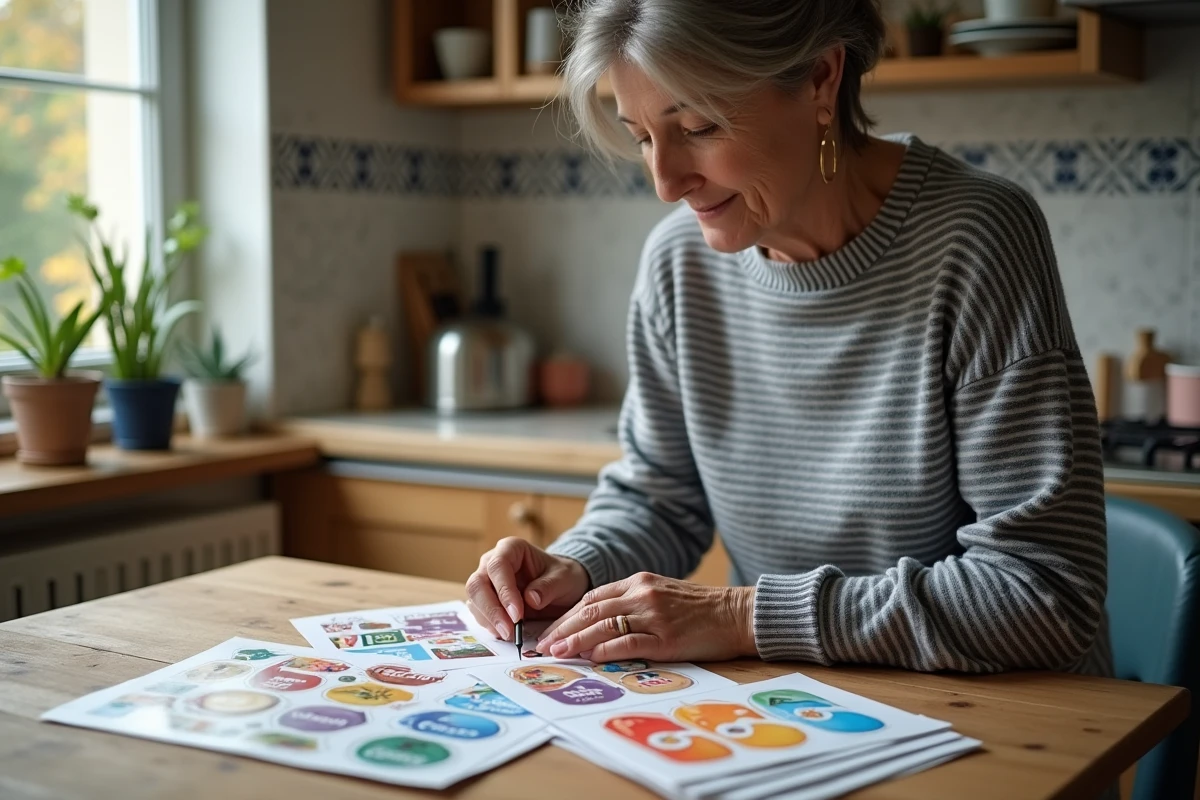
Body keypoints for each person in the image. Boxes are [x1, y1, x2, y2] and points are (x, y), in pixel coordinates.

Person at [465, 0, 1110, 675]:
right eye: (644, 137)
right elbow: (659, 501)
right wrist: (576, 565)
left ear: (820, 80)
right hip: (803, 707)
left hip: (1008, 722)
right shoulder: (678, 263)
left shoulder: (976, 239)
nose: (665, 183)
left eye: (698, 126)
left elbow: (1044, 593)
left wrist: (741, 616)